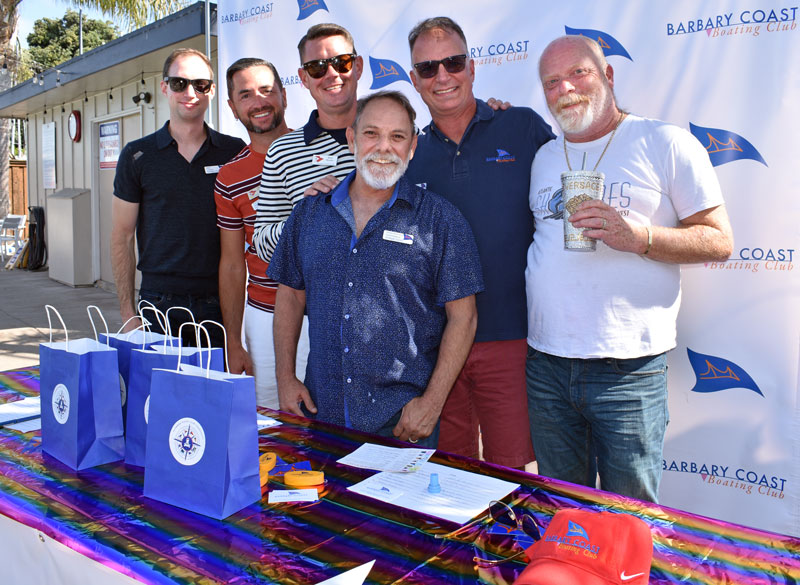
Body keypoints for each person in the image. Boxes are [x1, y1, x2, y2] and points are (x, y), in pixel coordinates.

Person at [526, 35, 733, 501]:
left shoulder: (664, 141)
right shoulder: (542, 156)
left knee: (630, 517)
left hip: (628, 372)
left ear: (608, 76)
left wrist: (640, 238)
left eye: (578, 72)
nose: (565, 89)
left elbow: (719, 241)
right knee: (564, 511)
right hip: (547, 365)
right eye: (551, 81)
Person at [268, 91, 484, 448]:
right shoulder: (309, 214)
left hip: (403, 423)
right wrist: (285, 378)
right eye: (372, 134)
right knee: (325, 507)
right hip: (323, 418)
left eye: (397, 137)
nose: (384, 147)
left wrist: (431, 404)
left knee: (398, 508)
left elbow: (465, 318)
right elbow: (290, 296)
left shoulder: (440, 220)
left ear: (412, 146)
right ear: (352, 138)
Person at [404, 17, 554, 468]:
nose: (442, 76)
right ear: (414, 80)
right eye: (428, 68)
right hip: (435, 345)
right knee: (448, 473)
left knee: (515, 476)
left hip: (513, 336)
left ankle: (514, 543)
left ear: (471, 67)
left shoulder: (522, 127)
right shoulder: (408, 154)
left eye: (452, 62)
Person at [111, 48, 245, 348]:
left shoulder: (234, 151)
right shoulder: (137, 155)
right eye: (179, 83)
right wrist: (127, 313)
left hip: (218, 304)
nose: (190, 92)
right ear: (164, 87)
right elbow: (121, 236)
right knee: (153, 396)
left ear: (211, 90)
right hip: (156, 305)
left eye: (201, 84)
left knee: (212, 395)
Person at [214, 58, 298, 408]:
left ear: (284, 94)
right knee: (271, 425)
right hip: (264, 316)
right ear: (233, 108)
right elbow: (233, 265)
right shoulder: (229, 177)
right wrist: (233, 341)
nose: (259, 101)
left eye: (266, 90)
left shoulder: (325, 152)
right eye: (246, 95)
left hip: (327, 313)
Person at [252, 22, 362, 266]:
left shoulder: (398, 137)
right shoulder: (282, 152)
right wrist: (306, 216)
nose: (332, 74)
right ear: (303, 78)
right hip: (317, 302)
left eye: (341, 61)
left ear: (358, 66)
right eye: (317, 68)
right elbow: (262, 245)